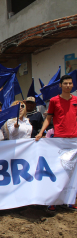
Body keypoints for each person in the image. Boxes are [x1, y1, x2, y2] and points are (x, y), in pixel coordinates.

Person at [35, 74, 77, 211]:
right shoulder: (54, 100)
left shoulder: (76, 100)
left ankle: (70, 201)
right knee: (57, 171)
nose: (68, 86)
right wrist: (41, 132)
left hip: (75, 141)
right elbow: (48, 119)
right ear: (60, 85)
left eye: (70, 83)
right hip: (59, 140)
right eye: (65, 83)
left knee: (73, 172)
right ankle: (52, 201)